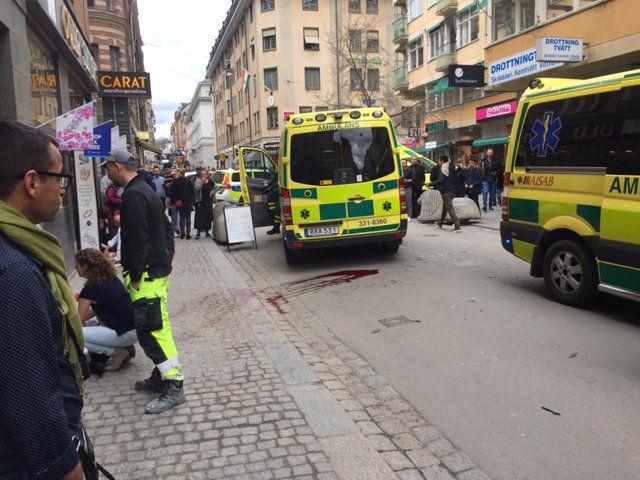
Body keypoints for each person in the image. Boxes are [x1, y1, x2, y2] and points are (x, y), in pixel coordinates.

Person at [0, 121, 86, 480]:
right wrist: (67, 468)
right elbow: (28, 393)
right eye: (59, 178)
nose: (63, 190)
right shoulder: (15, 270)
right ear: (32, 182)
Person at [103, 148, 184, 414]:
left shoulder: (134, 194)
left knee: (151, 330)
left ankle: (174, 384)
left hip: (147, 276)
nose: (107, 173)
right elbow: (167, 229)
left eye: (108, 168)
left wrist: (135, 274)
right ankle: (162, 375)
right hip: (154, 271)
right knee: (157, 327)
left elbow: (137, 239)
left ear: (118, 167)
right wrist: (165, 259)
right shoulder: (146, 189)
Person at [76, 248, 137, 373]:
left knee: (73, 336)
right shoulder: (111, 279)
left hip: (124, 333)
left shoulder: (90, 290)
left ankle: (117, 352)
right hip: (134, 331)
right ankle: (125, 347)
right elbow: (97, 310)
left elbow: (76, 322)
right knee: (90, 324)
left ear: (86, 267)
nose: (75, 267)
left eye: (77, 265)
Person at [429, 155, 462, 232]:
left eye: (439, 161)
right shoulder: (452, 167)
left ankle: (457, 226)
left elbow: (441, 180)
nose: (438, 163)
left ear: (442, 161)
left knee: (450, 209)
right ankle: (440, 223)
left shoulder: (444, 168)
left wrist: (430, 184)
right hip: (453, 191)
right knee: (445, 208)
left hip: (446, 191)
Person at [169, 169, 195, 239]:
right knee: (188, 218)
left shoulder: (176, 181)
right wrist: (190, 199)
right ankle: (188, 234)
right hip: (188, 202)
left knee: (182, 218)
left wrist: (173, 202)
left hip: (180, 202)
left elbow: (173, 193)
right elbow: (193, 191)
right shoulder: (188, 181)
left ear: (180, 173)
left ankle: (182, 234)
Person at [194, 169, 214, 238]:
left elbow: (216, 187)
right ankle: (198, 232)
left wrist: (211, 193)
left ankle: (207, 231)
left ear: (207, 174)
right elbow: (197, 189)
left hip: (208, 201)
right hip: (200, 201)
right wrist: (202, 181)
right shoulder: (198, 181)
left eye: (204, 174)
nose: (203, 175)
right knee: (199, 216)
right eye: (202, 174)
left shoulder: (210, 181)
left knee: (208, 216)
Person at [481, 148, 500, 212]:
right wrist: (482, 170)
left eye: (491, 152)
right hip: (485, 178)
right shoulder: (483, 161)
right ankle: (485, 206)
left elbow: (499, 168)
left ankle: (490, 205)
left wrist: (496, 172)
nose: (490, 154)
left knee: (492, 193)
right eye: (489, 152)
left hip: (493, 179)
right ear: (486, 153)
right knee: (485, 192)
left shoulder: (496, 160)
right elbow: (480, 169)